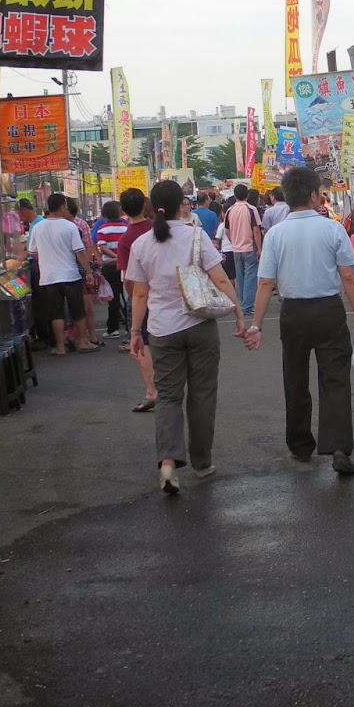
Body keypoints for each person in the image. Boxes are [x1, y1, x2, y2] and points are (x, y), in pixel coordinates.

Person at [248, 166, 354, 476]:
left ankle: (301, 445)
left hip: (293, 312)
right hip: (329, 309)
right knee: (336, 378)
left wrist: (256, 325)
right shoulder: (332, 229)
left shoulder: (275, 234)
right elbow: (348, 276)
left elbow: (265, 283)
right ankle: (339, 446)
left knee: (295, 378)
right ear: (315, 195)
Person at [126, 180, 246, 494]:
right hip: (200, 324)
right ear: (181, 205)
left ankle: (168, 461)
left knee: (168, 396)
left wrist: (135, 332)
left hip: (161, 330)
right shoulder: (195, 235)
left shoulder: (141, 244)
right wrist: (238, 311)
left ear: (151, 208)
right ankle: (202, 462)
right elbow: (220, 278)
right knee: (202, 394)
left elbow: (139, 293)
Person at [27, 194, 96, 355]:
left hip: (49, 277)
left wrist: (47, 259)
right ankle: (84, 342)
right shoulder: (70, 226)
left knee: (56, 313)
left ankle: (60, 346)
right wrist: (88, 272)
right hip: (70, 275)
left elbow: (32, 252)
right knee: (78, 310)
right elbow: (80, 252)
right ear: (62, 207)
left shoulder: (38, 227)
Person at [116, 189, 159, 413]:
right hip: (167, 294)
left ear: (123, 211)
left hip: (142, 298)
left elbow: (129, 280)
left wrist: (136, 300)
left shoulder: (126, 240)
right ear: (144, 205)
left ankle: (152, 391)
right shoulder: (158, 228)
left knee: (142, 344)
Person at [66, 199, 101, 349]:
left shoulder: (78, 224)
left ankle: (87, 337)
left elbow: (87, 247)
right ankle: (84, 337)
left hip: (77, 269)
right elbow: (88, 247)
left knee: (84, 305)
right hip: (74, 269)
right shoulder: (77, 224)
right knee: (81, 305)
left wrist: (87, 270)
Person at [224, 183, 262, 313]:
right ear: (247, 195)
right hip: (249, 247)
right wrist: (259, 248)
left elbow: (227, 230)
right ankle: (247, 306)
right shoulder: (251, 209)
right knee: (250, 277)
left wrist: (233, 241)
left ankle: (242, 303)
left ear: (235, 195)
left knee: (240, 278)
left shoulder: (229, 210)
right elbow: (256, 230)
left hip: (236, 248)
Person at [95, 200, 128, 339]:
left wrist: (114, 257)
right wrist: (120, 257)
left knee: (113, 298)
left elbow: (102, 247)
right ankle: (130, 328)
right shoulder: (126, 227)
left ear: (104, 215)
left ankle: (112, 329)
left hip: (109, 267)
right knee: (127, 298)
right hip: (125, 266)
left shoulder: (102, 229)